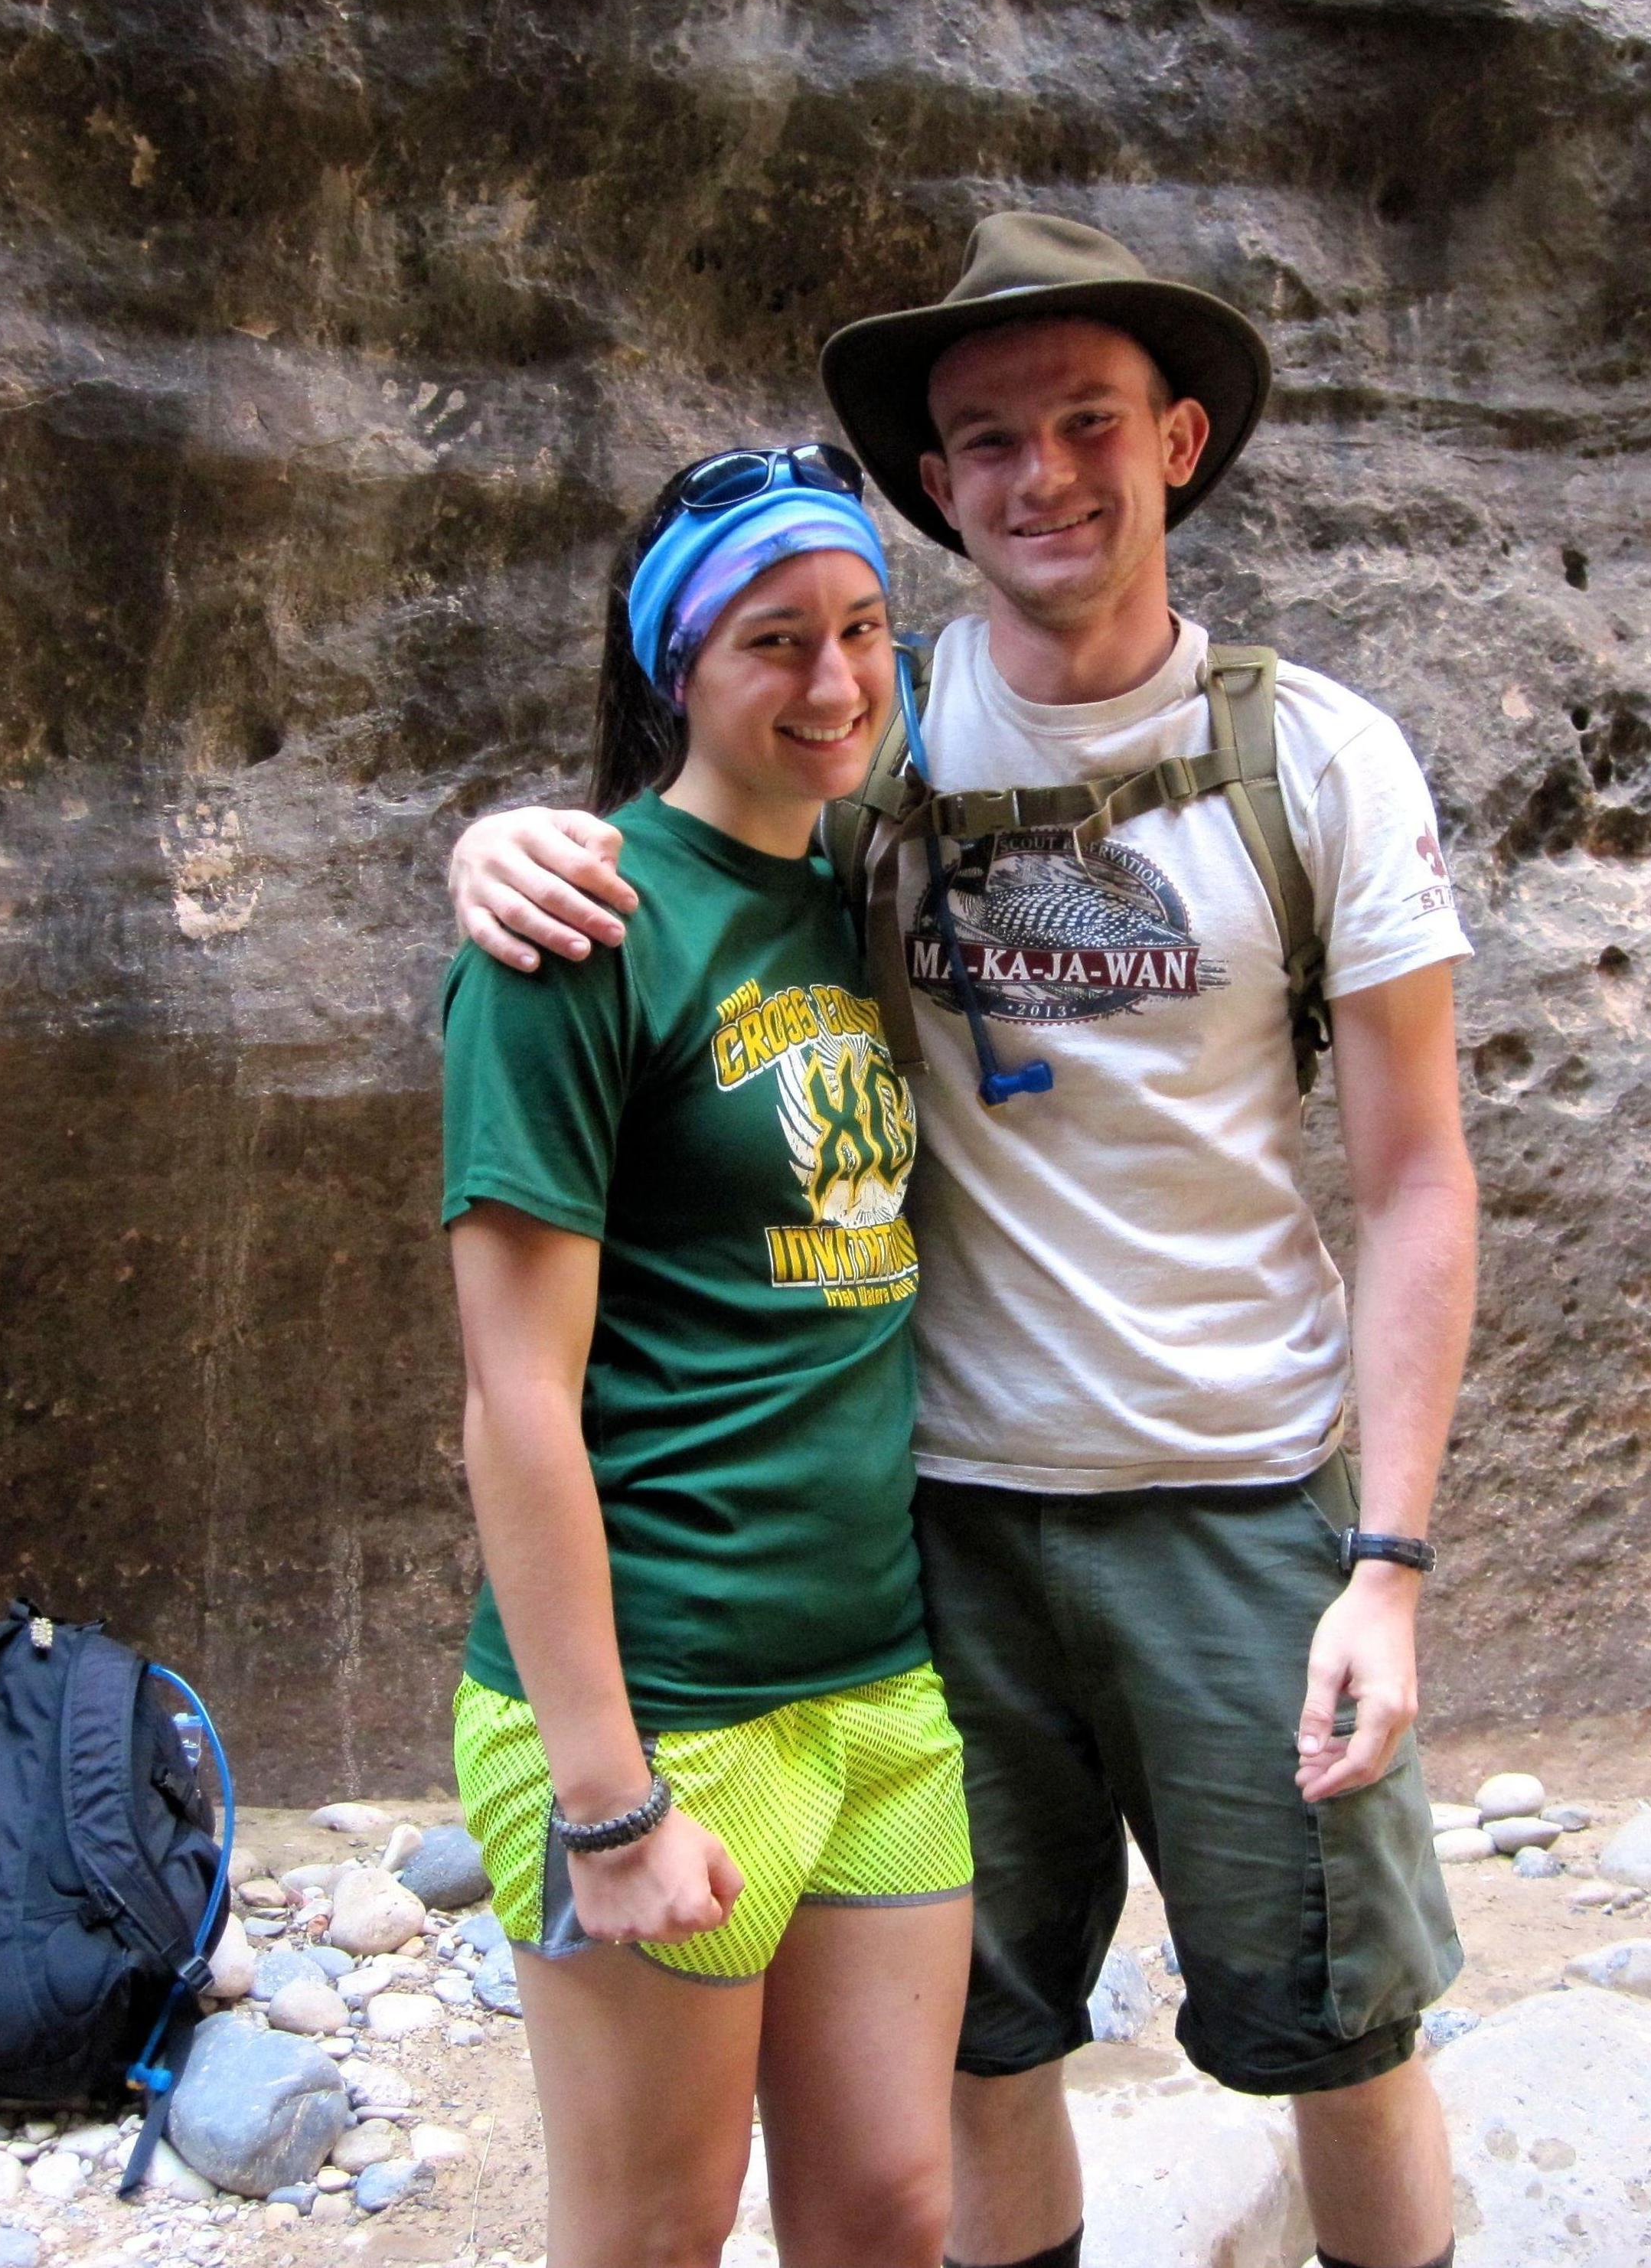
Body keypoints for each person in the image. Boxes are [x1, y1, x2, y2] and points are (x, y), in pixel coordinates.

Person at [449, 214, 1476, 2268]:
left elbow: (1417, 1178)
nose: (1039, 476)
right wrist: (489, 841)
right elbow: (676, 833)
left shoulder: (1323, 761)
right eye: (985, 440)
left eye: (1087, 421)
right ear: (938, 487)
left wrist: (1388, 1564)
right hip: (937, 1540)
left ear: (1178, 440)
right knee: (985, 2053)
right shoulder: (882, 742)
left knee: (1341, 2022)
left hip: (1235, 1507)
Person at [441, 444, 974, 2268]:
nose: (832, 683)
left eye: (860, 632)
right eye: (773, 642)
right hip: (659, 1697)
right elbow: (512, 1399)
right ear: (680, 665)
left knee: (897, 2209)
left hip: (878, 1688)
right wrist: (607, 1805)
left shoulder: (860, 886)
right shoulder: (577, 931)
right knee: (654, 2235)